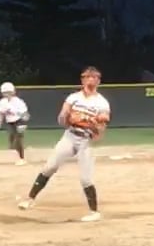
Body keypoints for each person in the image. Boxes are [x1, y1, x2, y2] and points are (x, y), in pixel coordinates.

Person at [18, 66, 112, 222]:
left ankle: (94, 212)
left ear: (98, 81)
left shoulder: (102, 102)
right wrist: (66, 116)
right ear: (82, 80)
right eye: (87, 76)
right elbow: (62, 119)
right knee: (50, 167)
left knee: (86, 179)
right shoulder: (73, 98)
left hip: (86, 140)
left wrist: (93, 124)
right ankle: (30, 199)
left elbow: (102, 125)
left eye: (94, 77)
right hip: (70, 136)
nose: (90, 79)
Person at [0, 81, 30, 165]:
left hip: (19, 122)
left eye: (8, 92)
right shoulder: (2, 102)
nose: (7, 94)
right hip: (10, 123)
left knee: (18, 139)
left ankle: (22, 159)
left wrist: (22, 119)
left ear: (13, 92)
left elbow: (26, 115)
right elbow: (1, 114)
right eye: (4, 93)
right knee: (11, 141)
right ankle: (21, 149)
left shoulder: (19, 102)